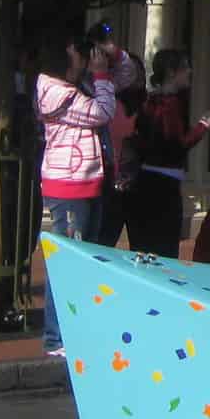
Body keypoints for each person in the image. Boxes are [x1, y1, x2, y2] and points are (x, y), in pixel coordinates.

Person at [36, 32, 114, 356]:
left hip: (84, 181)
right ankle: (56, 338)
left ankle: (74, 330)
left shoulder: (73, 89)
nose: (84, 59)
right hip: (69, 186)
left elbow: (124, 80)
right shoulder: (60, 95)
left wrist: (115, 56)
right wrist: (100, 75)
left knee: (82, 262)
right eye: (79, 54)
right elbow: (103, 111)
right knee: (67, 262)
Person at [123, 50, 210, 257]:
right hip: (162, 188)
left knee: (143, 250)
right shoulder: (169, 105)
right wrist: (204, 126)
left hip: (145, 183)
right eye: (185, 67)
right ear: (171, 72)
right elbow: (176, 144)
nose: (190, 71)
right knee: (163, 252)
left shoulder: (151, 101)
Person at [89, 19, 143, 249]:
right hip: (95, 173)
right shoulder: (87, 87)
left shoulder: (114, 91)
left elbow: (129, 71)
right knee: (97, 241)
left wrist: (112, 49)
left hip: (117, 175)